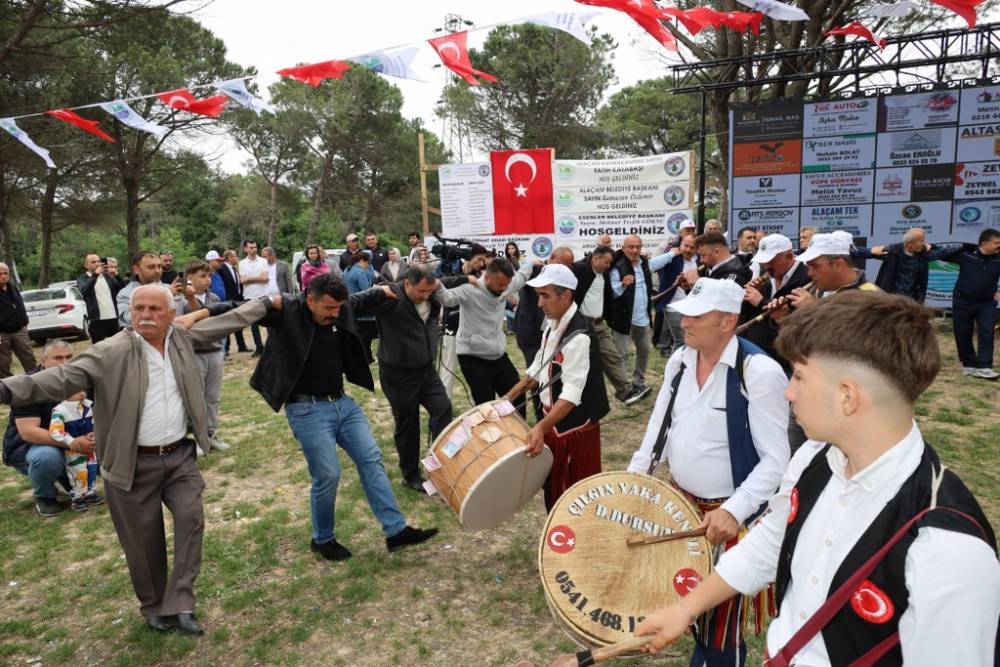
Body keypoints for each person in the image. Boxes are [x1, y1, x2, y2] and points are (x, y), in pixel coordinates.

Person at [635, 291, 1000, 667]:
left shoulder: (947, 550)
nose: (789, 392)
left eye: (799, 376)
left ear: (847, 397)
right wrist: (687, 608)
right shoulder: (813, 458)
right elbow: (771, 540)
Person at [0, 284, 272, 634]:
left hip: (179, 456)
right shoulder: (111, 350)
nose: (145, 315)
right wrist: (5, 389)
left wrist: (267, 303)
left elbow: (228, 322)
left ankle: (181, 601)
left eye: (155, 309)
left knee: (191, 519)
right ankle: (154, 606)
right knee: (143, 542)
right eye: (139, 308)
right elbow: (60, 378)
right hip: (131, 464)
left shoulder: (181, 339)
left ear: (170, 314)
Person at [628, 278, 790, 667]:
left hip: (727, 519)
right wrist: (633, 481)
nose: (685, 322)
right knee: (684, 599)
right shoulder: (679, 361)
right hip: (680, 507)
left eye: (698, 316)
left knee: (720, 627)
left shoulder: (758, 372)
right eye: (686, 314)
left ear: (728, 321)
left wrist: (735, 510)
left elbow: (776, 460)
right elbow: (658, 427)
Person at [249, 273, 438, 561]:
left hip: (343, 405)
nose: (335, 314)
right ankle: (322, 539)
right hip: (307, 410)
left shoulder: (340, 308)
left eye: (338, 308)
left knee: (371, 459)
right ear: (309, 300)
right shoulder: (286, 314)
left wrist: (384, 291)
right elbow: (236, 310)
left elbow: (362, 299)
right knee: (328, 475)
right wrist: (196, 315)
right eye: (328, 308)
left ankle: (396, 530)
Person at [504, 264, 609, 510]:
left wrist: (540, 427)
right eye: (538, 295)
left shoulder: (579, 336)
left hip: (573, 429)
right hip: (554, 423)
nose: (539, 303)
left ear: (566, 296)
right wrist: (508, 397)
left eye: (545, 296)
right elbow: (538, 368)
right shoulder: (553, 323)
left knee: (575, 497)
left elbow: (572, 395)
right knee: (554, 492)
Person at [370, 265, 454, 490]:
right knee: (408, 424)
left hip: (426, 370)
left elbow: (450, 281)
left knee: (443, 408)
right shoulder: (390, 297)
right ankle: (410, 475)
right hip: (398, 374)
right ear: (407, 283)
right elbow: (355, 302)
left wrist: (470, 278)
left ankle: (439, 463)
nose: (425, 296)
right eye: (421, 291)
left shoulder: (431, 296)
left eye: (429, 291)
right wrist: (376, 291)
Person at [435, 256, 535, 413]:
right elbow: (447, 299)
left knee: (517, 397)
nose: (503, 288)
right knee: (486, 405)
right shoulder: (470, 289)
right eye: (500, 284)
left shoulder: (505, 284)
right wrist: (438, 284)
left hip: (498, 355)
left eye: (506, 284)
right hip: (473, 356)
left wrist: (532, 263)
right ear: (487, 277)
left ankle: (516, 429)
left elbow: (521, 276)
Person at [3, 340, 81, 517]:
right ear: (43, 361)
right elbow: (29, 432)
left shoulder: (79, 379)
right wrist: (73, 442)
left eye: (69, 357)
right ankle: (45, 496)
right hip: (33, 447)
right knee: (47, 457)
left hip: (71, 441)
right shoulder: (26, 385)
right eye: (58, 358)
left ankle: (68, 478)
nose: (65, 363)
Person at [608, 235, 676, 404]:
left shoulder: (645, 264)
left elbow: (657, 262)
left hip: (644, 319)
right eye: (631, 247)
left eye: (638, 247)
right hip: (623, 320)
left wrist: (674, 253)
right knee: (622, 355)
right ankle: (624, 389)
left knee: (644, 352)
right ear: (624, 248)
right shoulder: (617, 267)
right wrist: (622, 285)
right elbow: (611, 293)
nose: (635, 250)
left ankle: (639, 383)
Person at [175, 260, 232, 452]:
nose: (208, 280)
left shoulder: (213, 298)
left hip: (215, 352)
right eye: (203, 276)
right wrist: (190, 298)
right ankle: (199, 438)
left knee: (213, 396)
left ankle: (212, 433)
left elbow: (216, 322)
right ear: (189, 278)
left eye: (209, 276)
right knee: (195, 397)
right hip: (194, 354)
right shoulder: (180, 300)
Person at [929, 228, 1000, 380]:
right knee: (963, 333)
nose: (999, 246)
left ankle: (984, 367)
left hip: (986, 303)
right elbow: (940, 253)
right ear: (984, 243)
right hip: (963, 302)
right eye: (996, 243)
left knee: (987, 332)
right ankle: (969, 364)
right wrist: (933, 246)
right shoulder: (966, 255)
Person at [571, 245, 633, 404]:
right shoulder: (579, 269)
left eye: (610, 263)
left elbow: (607, 296)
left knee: (612, 356)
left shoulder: (603, 273)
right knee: (585, 366)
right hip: (582, 327)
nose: (608, 266)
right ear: (595, 258)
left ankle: (625, 391)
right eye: (606, 262)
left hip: (600, 324)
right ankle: (580, 399)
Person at [741, 234, 811, 372]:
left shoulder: (806, 277)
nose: (766, 266)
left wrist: (761, 301)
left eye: (771, 260)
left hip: (784, 361)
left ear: (789, 256)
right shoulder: (768, 277)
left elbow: (795, 317)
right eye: (763, 261)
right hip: (756, 356)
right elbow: (748, 315)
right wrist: (747, 298)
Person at [437, 244, 489, 399]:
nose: (481, 263)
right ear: (469, 258)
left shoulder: (482, 274)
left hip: (473, 328)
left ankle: (479, 403)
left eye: (483, 260)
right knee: (448, 367)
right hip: (452, 325)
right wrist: (465, 279)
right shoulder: (455, 269)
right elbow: (441, 283)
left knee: (477, 369)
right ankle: (444, 404)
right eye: (479, 259)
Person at [48, 389, 100, 511]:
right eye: (76, 391)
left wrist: (94, 433)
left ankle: (89, 492)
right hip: (73, 449)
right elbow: (55, 430)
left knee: (92, 468)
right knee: (78, 472)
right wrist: (71, 441)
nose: (82, 393)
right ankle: (78, 496)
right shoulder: (60, 410)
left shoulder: (88, 406)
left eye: (83, 390)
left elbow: (95, 423)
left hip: (90, 447)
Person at [653, 234, 699, 358]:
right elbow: (653, 266)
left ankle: (686, 365)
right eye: (686, 246)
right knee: (681, 340)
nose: (688, 250)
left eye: (692, 247)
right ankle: (673, 368)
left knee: (691, 339)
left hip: (691, 306)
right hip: (673, 305)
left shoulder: (699, 259)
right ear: (680, 244)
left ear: (697, 249)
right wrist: (670, 254)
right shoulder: (672, 257)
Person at [118, 250, 172, 327]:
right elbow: (129, 319)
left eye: (159, 266)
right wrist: (165, 295)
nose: (157, 271)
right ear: (136, 269)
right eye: (151, 267)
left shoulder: (171, 288)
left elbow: (188, 314)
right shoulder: (125, 293)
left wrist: (189, 297)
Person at [78, 253, 123, 344]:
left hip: (113, 318)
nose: (97, 264)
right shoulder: (82, 279)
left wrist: (116, 276)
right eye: (93, 262)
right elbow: (85, 291)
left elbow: (121, 289)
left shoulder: (108, 276)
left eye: (98, 261)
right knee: (99, 349)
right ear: (86, 266)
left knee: (118, 346)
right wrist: (95, 275)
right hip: (97, 320)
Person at [0, 263, 35, 379]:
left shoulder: (12, 288)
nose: (3, 276)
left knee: (29, 358)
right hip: (2, 334)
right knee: (2, 363)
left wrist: (24, 321)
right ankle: (7, 386)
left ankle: (35, 381)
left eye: (5, 273)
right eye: (0, 274)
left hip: (19, 330)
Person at [344, 252, 380, 357]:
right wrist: (376, 288)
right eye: (368, 263)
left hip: (350, 305)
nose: (368, 266)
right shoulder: (360, 272)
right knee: (366, 335)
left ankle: (363, 356)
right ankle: (366, 357)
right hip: (362, 307)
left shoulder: (347, 270)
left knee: (356, 334)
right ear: (362, 261)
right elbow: (367, 291)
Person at [239, 240, 270, 357]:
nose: (253, 249)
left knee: (268, 323)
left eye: (255, 247)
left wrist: (249, 279)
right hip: (249, 296)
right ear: (245, 249)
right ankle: (259, 347)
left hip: (263, 294)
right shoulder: (242, 263)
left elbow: (265, 279)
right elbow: (242, 281)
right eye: (251, 247)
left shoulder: (263, 261)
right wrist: (257, 278)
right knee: (254, 324)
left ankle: (271, 347)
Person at [216, 249, 249, 355]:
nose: (237, 258)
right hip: (228, 300)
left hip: (237, 298)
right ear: (229, 257)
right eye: (235, 256)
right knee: (228, 323)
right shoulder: (221, 269)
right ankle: (226, 348)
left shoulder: (233, 268)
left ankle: (241, 346)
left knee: (238, 322)